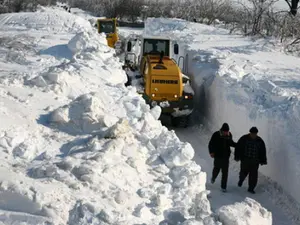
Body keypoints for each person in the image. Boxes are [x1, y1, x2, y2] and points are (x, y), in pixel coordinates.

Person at [234, 127, 267, 194]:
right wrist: (237, 156)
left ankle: (251, 188)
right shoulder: (244, 138)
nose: (253, 135)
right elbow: (238, 147)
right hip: (245, 160)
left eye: (255, 134)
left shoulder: (260, 141)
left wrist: (263, 160)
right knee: (243, 172)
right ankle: (241, 180)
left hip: (255, 161)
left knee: (253, 175)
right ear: (250, 133)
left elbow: (263, 151)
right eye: (252, 133)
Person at [208, 123, 236, 192]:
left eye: (227, 131)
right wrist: (211, 152)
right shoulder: (216, 135)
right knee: (216, 169)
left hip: (226, 157)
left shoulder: (229, 135)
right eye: (225, 132)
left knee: (225, 172)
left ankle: (223, 187)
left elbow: (231, 143)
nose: (226, 133)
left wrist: (237, 145)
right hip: (217, 156)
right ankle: (213, 178)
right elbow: (211, 144)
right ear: (222, 130)